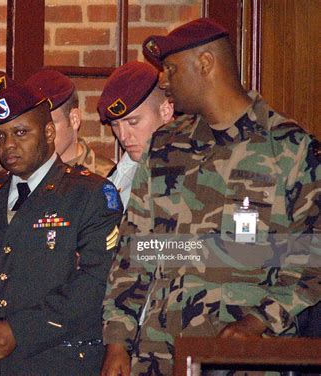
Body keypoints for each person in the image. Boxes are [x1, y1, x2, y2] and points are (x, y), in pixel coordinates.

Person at [101, 18, 321, 375]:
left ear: (205, 64)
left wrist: (257, 322)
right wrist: (117, 341)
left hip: (244, 358)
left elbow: (312, 261)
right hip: (159, 356)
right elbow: (136, 250)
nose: (164, 81)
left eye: (171, 69)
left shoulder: (290, 149)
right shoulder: (166, 145)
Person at [0, 81, 123, 375]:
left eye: (21, 132)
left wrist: (19, 330)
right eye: (0, 136)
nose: (8, 145)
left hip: (60, 362)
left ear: (49, 132)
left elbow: (93, 284)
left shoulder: (89, 194)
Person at [97, 61, 175, 210]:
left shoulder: (194, 169)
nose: (123, 136)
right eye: (115, 125)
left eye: (133, 122)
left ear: (165, 111)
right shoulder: (118, 176)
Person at [26, 69, 115, 178]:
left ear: (74, 119)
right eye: (34, 127)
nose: (43, 135)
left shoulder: (108, 176)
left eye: (50, 125)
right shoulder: (21, 176)